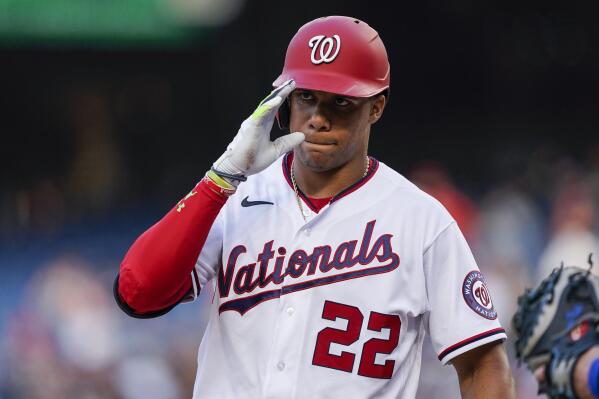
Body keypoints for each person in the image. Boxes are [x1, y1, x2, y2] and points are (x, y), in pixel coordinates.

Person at [114, 15, 515, 398]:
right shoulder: (232, 198)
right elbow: (137, 293)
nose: (318, 118)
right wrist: (220, 178)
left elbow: (483, 365)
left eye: (340, 102)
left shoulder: (422, 222)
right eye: (306, 97)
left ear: (376, 106)